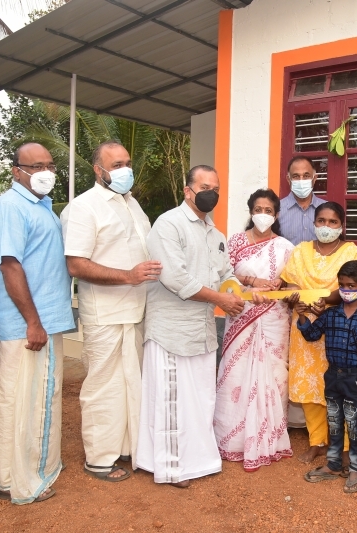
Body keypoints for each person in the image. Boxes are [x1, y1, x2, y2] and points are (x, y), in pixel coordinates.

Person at [138, 165, 245, 487]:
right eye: (204, 187)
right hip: (172, 331)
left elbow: (226, 274)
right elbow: (175, 278)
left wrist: (237, 292)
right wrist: (221, 300)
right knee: (172, 401)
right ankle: (172, 468)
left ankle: (199, 461)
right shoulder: (169, 224)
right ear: (188, 191)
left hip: (201, 331)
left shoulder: (216, 234)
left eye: (216, 188)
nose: (211, 193)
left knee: (200, 400)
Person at [61, 140, 160, 482]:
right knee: (104, 386)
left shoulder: (133, 204)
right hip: (105, 313)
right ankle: (99, 458)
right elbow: (76, 264)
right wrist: (127, 276)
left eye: (127, 163)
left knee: (133, 383)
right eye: (116, 165)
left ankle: (128, 448)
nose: (124, 170)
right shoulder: (83, 207)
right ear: (98, 170)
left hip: (137, 310)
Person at [0, 143, 75, 504]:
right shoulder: (10, 207)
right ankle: (22, 480)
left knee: (30, 398)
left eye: (50, 165)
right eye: (36, 166)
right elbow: (10, 265)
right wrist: (33, 322)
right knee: (23, 401)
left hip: (43, 320)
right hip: (26, 325)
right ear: (16, 171)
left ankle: (14, 473)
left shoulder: (41, 207)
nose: (45, 172)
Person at [214, 189, 295, 471]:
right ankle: (233, 439)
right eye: (258, 209)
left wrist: (280, 285)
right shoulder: (235, 241)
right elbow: (223, 274)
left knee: (274, 375)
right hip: (241, 315)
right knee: (235, 375)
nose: (263, 215)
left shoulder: (285, 247)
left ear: (276, 215)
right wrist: (251, 281)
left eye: (268, 211)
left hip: (274, 318)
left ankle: (269, 439)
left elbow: (291, 282)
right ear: (250, 212)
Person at [280, 201, 357, 463]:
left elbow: (353, 286)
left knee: (341, 386)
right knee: (309, 386)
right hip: (305, 326)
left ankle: (347, 446)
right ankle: (317, 441)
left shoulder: (351, 252)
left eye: (333, 222)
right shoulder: (300, 251)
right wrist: (295, 297)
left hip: (338, 329)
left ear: (342, 226)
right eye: (321, 221)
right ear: (314, 223)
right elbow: (290, 283)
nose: (326, 226)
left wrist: (325, 300)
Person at [298, 260, 357, 493]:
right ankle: (333, 465)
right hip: (333, 376)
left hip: (355, 379)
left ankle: (355, 469)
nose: (345, 290)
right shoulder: (330, 314)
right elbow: (312, 335)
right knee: (334, 421)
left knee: (353, 424)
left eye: (351, 286)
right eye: (342, 285)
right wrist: (302, 317)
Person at [278, 155, 326, 246]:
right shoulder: (277, 210)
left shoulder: (327, 209)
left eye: (306, 176)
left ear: (314, 178)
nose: (301, 180)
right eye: (296, 176)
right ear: (289, 179)